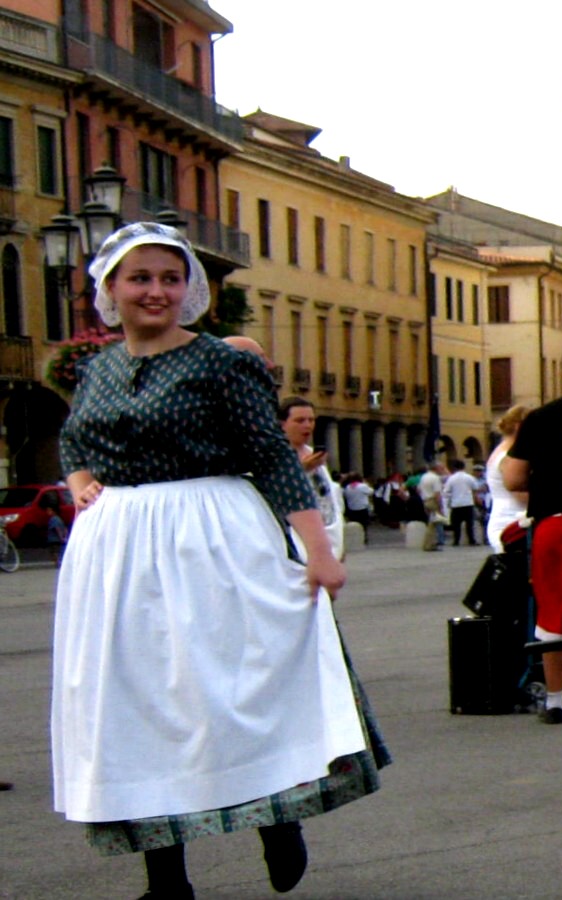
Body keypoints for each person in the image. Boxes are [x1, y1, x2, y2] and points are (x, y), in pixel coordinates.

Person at [51, 222, 382, 899]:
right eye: (140, 278)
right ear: (110, 289)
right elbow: (72, 441)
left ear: (188, 288)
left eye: (169, 278)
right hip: (118, 553)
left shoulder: (220, 362)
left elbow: (268, 456)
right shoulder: (97, 369)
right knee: (135, 704)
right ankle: (166, 878)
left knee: (229, 689)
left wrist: (318, 552)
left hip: (212, 537)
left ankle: (277, 816)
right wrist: (80, 481)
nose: (156, 291)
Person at [503, 352, 562, 723]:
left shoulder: (539, 417)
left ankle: (554, 699)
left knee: (554, 611)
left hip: (552, 523)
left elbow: (512, 478)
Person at [279, 397, 345, 562]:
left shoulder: (314, 456)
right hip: (295, 542)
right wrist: (300, 470)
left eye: (311, 420)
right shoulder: (276, 457)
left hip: (328, 536)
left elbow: (330, 497)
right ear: (282, 424)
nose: (307, 425)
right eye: (300, 420)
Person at [485, 405, 531, 553]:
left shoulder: (500, 451)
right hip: (511, 519)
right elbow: (519, 493)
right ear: (519, 427)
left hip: (505, 515)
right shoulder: (508, 457)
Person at [442, 459, 479, 547]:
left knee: (456, 524)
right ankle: (472, 540)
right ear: (464, 467)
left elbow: (446, 491)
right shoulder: (469, 477)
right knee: (469, 524)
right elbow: (475, 488)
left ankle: (456, 541)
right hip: (468, 503)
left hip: (456, 504)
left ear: (454, 468)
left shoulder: (451, 478)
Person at [416, 460, 445, 551]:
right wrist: (440, 506)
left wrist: (423, 497)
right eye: (441, 468)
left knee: (430, 523)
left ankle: (429, 543)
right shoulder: (435, 478)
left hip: (426, 501)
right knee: (434, 524)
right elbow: (437, 494)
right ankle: (429, 544)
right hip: (433, 501)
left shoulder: (424, 477)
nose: (442, 470)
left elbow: (418, 489)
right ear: (436, 469)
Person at [341, 474, 374, 544]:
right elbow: (371, 491)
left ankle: (355, 538)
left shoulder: (348, 487)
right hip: (362, 507)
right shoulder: (362, 486)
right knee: (363, 524)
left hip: (352, 508)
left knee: (354, 523)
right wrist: (366, 483)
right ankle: (364, 538)